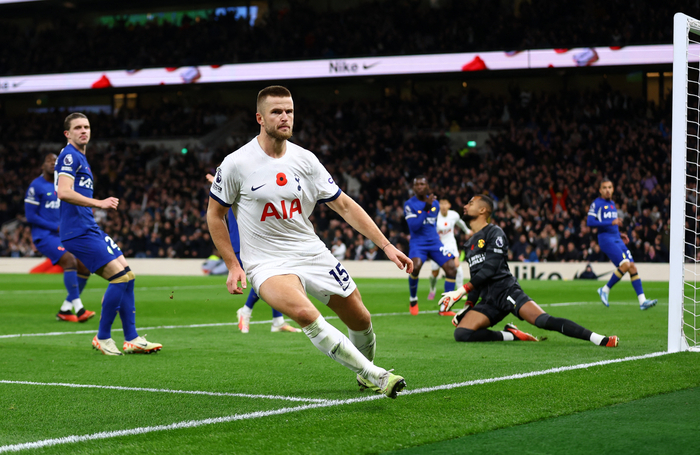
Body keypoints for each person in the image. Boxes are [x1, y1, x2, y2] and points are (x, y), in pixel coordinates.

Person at [207, 86, 412, 398]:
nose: (285, 117)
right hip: (266, 262)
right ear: (260, 118)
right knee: (304, 313)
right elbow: (215, 215)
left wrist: (386, 245)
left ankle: (365, 374)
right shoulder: (236, 163)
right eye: (277, 112)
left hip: (311, 252)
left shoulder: (306, 160)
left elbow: (344, 206)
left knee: (361, 318)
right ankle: (377, 375)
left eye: (289, 111)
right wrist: (233, 264)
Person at [439, 194, 618, 347]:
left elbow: (490, 269)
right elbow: (477, 278)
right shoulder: (469, 243)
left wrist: (460, 291)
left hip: (507, 291)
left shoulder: (495, 233)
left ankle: (599, 339)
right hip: (488, 300)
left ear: (482, 210)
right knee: (462, 333)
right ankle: (511, 335)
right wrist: (468, 306)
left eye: (470, 203)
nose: (465, 206)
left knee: (543, 321)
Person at [55, 112, 162, 356]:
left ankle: (132, 338)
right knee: (119, 278)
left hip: (89, 227)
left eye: (86, 126)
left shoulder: (80, 157)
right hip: (77, 231)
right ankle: (102, 337)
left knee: (128, 276)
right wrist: (99, 203)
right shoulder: (70, 156)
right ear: (67, 134)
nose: (84, 130)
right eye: (78, 127)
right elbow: (63, 192)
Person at [205, 174, 300, 334]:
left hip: (256, 242)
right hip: (243, 243)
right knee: (266, 278)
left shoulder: (249, 191)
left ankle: (277, 320)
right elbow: (231, 187)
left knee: (273, 276)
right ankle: (247, 311)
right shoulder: (240, 192)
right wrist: (218, 182)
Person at [25, 153, 95, 323]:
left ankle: (65, 309)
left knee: (85, 266)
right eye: (48, 161)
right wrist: (55, 226)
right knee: (69, 260)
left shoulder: (64, 185)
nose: (52, 163)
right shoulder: (36, 186)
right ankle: (79, 309)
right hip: (45, 236)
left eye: (54, 161)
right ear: (42, 166)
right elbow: (30, 216)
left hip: (65, 235)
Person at [586, 178, 657, 310]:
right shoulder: (597, 203)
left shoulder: (612, 203)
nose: (607, 190)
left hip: (616, 238)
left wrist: (619, 234)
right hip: (606, 239)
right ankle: (605, 290)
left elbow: (612, 225)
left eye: (609, 187)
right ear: (600, 190)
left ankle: (642, 301)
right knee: (625, 264)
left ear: (613, 189)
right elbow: (589, 222)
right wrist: (611, 223)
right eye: (604, 188)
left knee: (632, 267)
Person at [404, 177, 458, 316]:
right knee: (415, 267)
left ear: (427, 186)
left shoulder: (435, 203)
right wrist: (426, 208)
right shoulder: (409, 204)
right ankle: (413, 299)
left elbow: (432, 223)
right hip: (418, 243)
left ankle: (445, 308)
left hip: (434, 242)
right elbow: (414, 227)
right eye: (417, 184)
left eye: (422, 184)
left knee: (452, 268)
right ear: (413, 187)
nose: (419, 186)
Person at [427, 199, 471, 300]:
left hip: (451, 244)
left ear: (449, 205)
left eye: (445, 203)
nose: (443, 206)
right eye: (441, 204)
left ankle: (460, 292)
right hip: (438, 246)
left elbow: (460, 223)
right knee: (435, 273)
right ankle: (432, 290)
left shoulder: (454, 215)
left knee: (457, 266)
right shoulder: (434, 216)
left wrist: (467, 231)